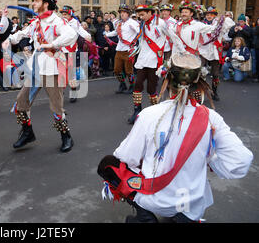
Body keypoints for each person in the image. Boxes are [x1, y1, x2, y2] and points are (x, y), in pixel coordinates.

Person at [97, 53, 253, 223]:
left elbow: (126, 156)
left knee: (108, 164)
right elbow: (242, 161)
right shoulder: (211, 118)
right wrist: (210, 155)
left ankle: (146, 216)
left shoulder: (149, 114)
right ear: (198, 82)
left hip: (155, 201)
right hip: (190, 206)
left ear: (167, 80)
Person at [8, 0, 78, 153]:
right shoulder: (36, 22)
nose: (33, 4)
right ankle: (27, 132)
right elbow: (22, 34)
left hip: (51, 67)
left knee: (56, 106)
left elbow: (71, 35)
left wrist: (53, 44)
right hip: (35, 67)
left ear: (46, 4)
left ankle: (66, 136)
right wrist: (12, 38)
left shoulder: (57, 21)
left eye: (36, 1)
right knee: (21, 102)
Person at [127, 4, 167, 125]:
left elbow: (171, 35)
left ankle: (154, 112)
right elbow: (139, 38)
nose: (140, 17)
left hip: (155, 60)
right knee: (137, 84)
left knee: (151, 88)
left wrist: (181, 50)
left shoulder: (160, 23)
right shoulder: (142, 24)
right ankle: (137, 110)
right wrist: (134, 46)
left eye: (142, 14)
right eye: (139, 14)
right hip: (143, 59)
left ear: (150, 13)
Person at [199, 6, 235, 101]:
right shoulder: (202, 24)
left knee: (215, 74)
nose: (209, 16)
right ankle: (200, 92)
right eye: (207, 14)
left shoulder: (220, 23)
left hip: (215, 50)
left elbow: (231, 23)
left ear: (215, 15)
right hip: (203, 50)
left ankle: (214, 92)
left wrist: (223, 18)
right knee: (200, 71)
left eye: (211, 14)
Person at [104, 4, 140, 94]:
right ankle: (122, 84)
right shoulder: (119, 23)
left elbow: (140, 32)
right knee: (116, 70)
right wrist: (107, 34)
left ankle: (132, 86)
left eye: (124, 12)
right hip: (119, 49)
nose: (122, 14)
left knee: (129, 71)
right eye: (121, 12)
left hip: (129, 50)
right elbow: (116, 32)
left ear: (128, 13)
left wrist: (135, 43)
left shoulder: (133, 23)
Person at [59, 5, 91, 103]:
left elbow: (81, 31)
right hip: (61, 51)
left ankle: (73, 93)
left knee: (71, 74)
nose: (63, 16)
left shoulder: (75, 23)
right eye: (62, 14)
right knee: (61, 73)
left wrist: (87, 36)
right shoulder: (60, 22)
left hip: (72, 51)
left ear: (70, 14)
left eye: (65, 14)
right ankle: (60, 94)